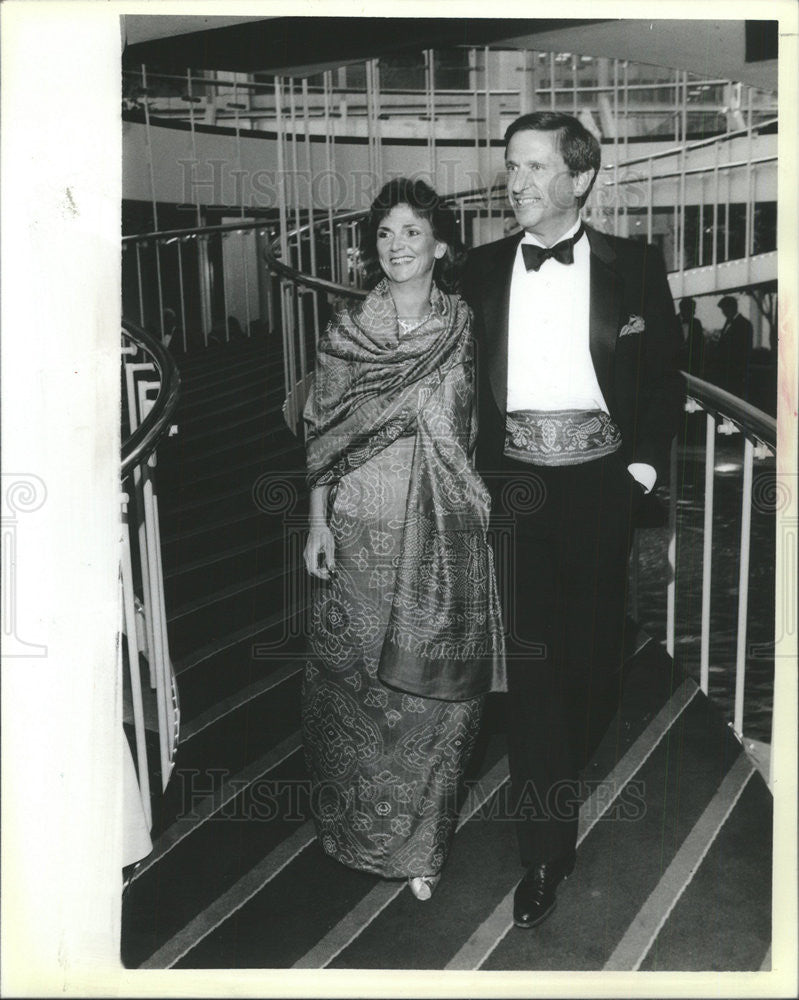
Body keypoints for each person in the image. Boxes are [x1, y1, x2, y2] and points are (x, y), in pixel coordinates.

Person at [462, 112, 682, 928]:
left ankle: (557, 760)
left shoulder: (635, 268)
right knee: (533, 673)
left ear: (581, 179)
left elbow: (662, 381)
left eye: (532, 167)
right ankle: (545, 849)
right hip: (509, 487)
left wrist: (637, 475)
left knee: (592, 666)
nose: (513, 181)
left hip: (600, 485)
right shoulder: (477, 272)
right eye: (509, 165)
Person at [302, 178, 505, 901]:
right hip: (360, 530)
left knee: (437, 699)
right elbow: (322, 433)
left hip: (444, 533)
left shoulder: (465, 325)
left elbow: (476, 428)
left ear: (440, 245)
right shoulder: (346, 332)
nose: (395, 247)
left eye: (411, 233)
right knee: (358, 690)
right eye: (384, 234)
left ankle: (421, 846)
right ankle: (357, 834)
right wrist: (317, 522)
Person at [716, 295, 753, 398]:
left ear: (731, 308)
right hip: (725, 374)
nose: (723, 312)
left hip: (735, 374)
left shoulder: (745, 324)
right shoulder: (728, 322)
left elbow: (745, 350)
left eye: (724, 309)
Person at [678, 296, 706, 378]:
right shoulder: (671, 321)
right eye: (692, 310)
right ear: (683, 309)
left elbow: (700, 346)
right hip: (675, 367)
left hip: (692, 368)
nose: (694, 312)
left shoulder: (697, 323)